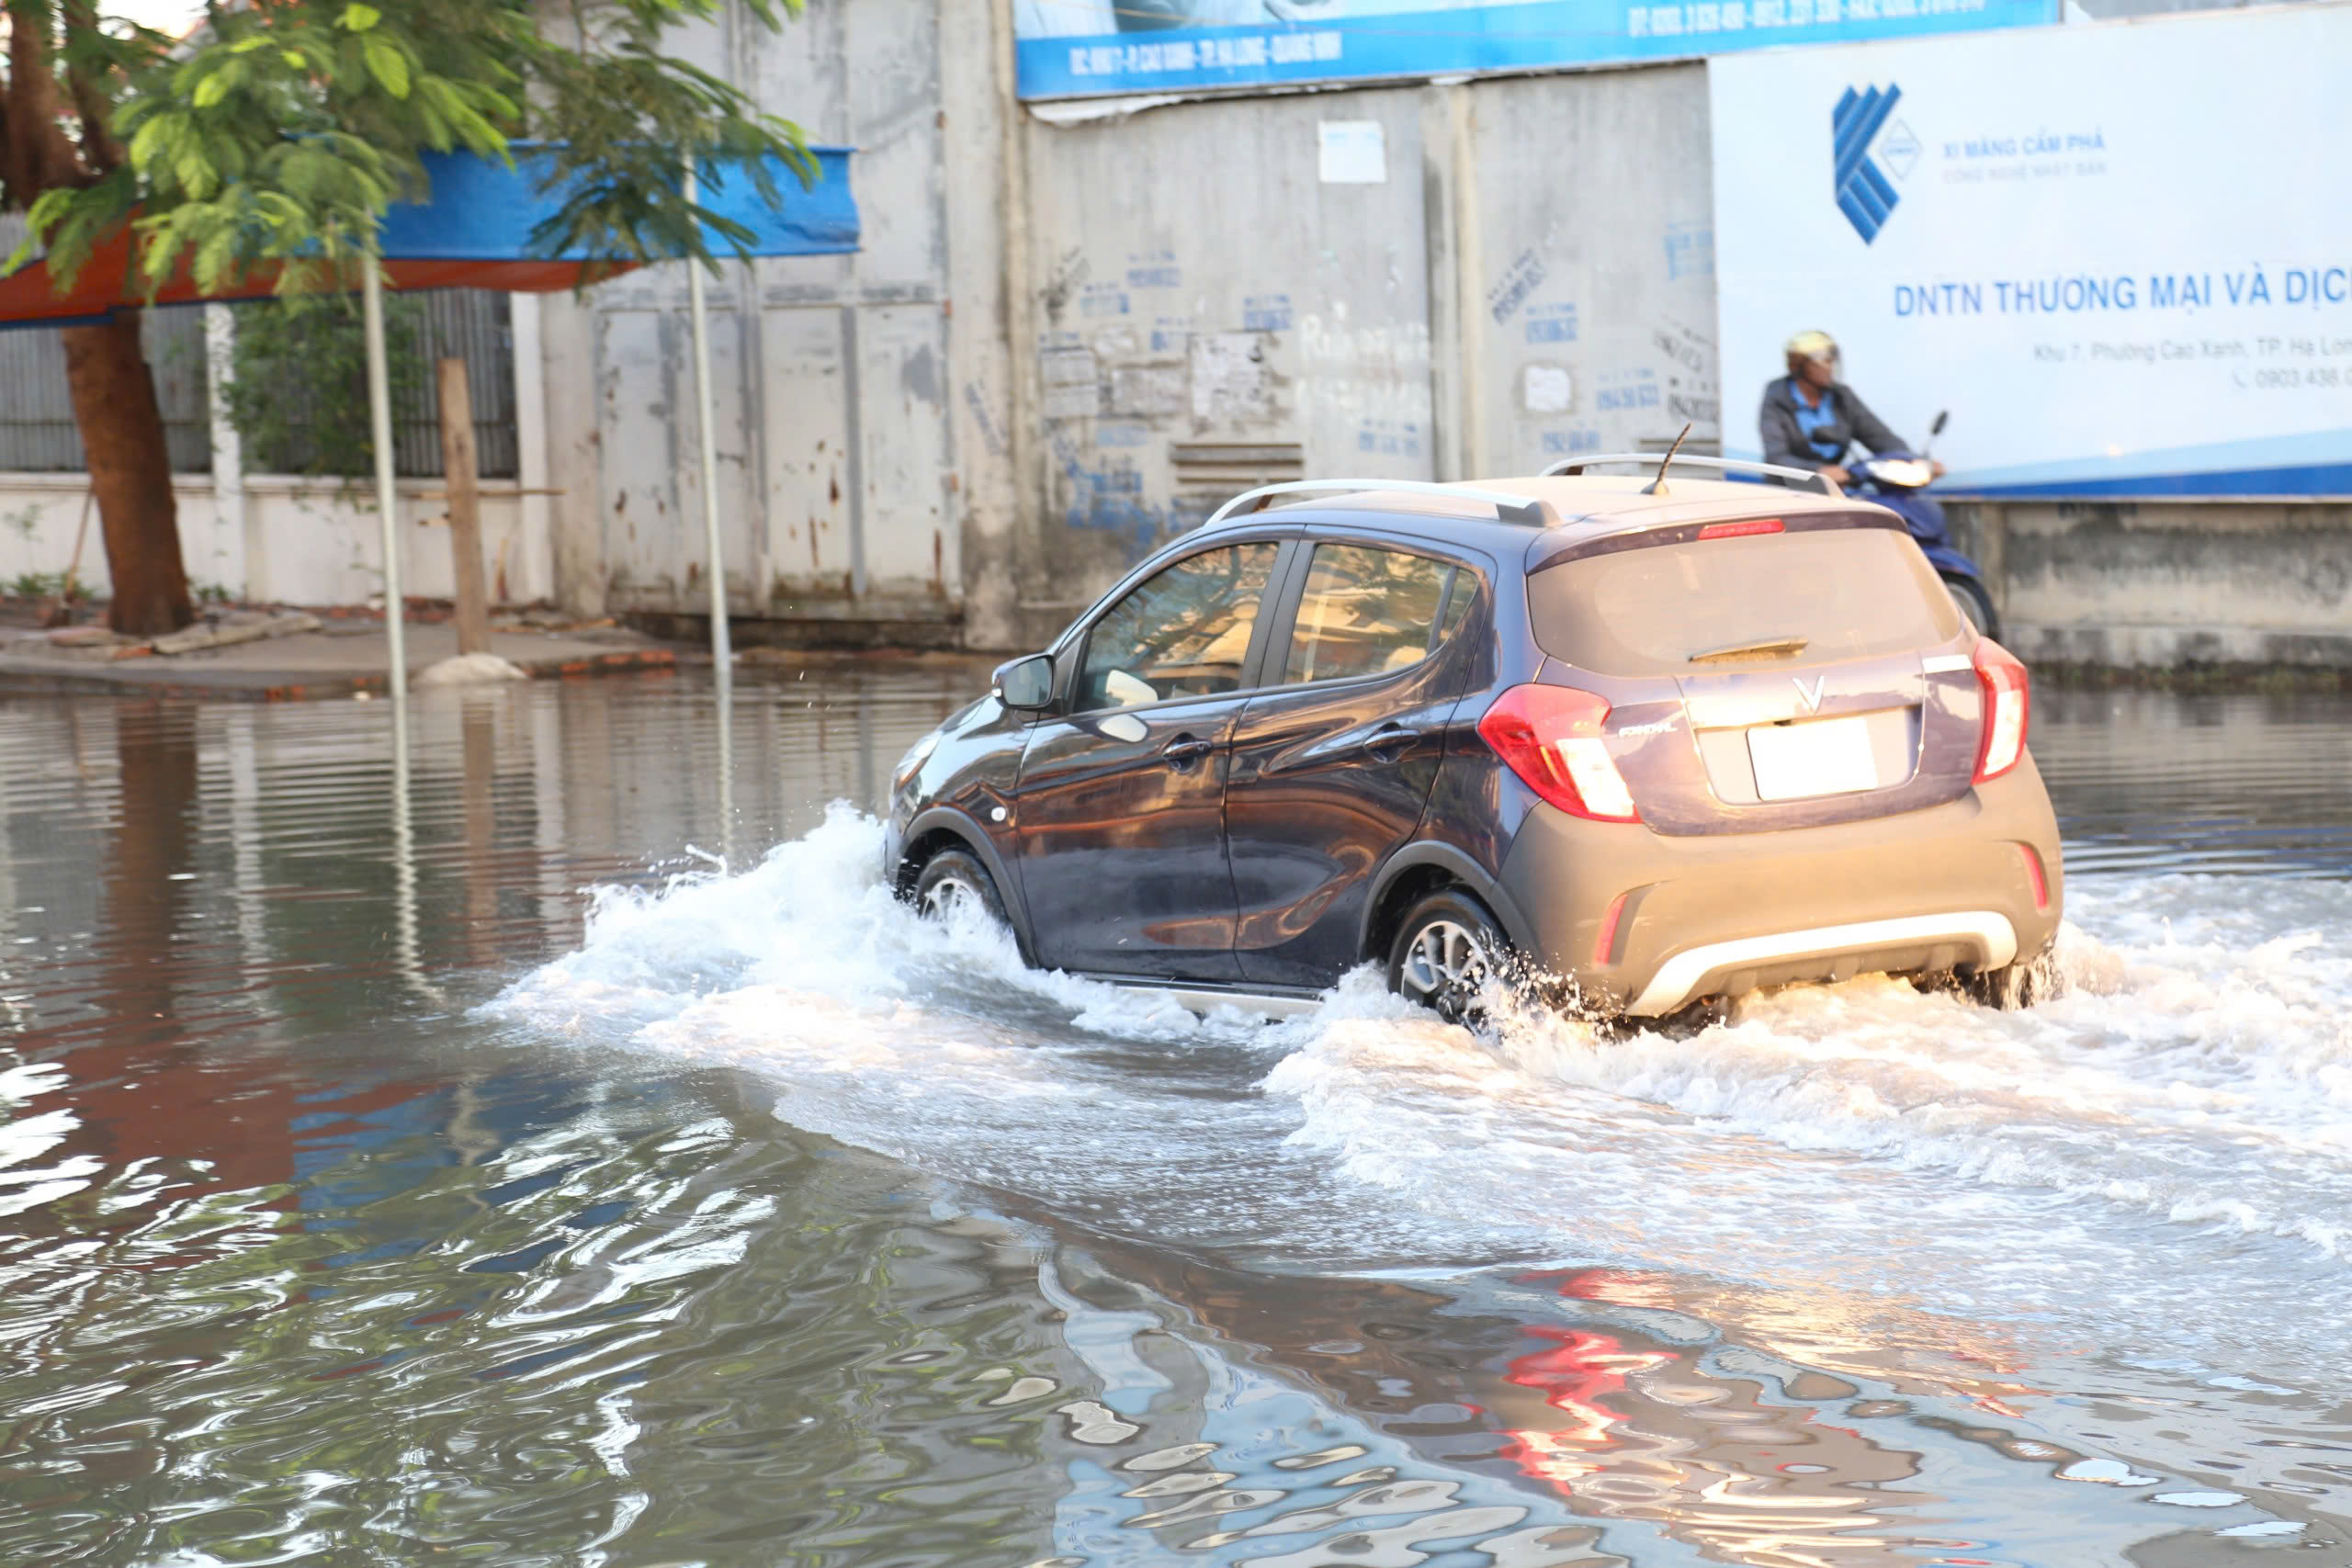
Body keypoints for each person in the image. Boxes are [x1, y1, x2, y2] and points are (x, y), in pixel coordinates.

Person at [1758, 330, 1941, 487]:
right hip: (1791, 492)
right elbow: (1777, 458)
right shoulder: (1777, 400)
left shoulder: (1841, 397)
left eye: (1832, 360)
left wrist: (1912, 461)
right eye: (1823, 361)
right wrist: (1818, 471)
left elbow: (1879, 436)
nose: (1830, 367)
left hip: (1839, 489)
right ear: (1798, 366)